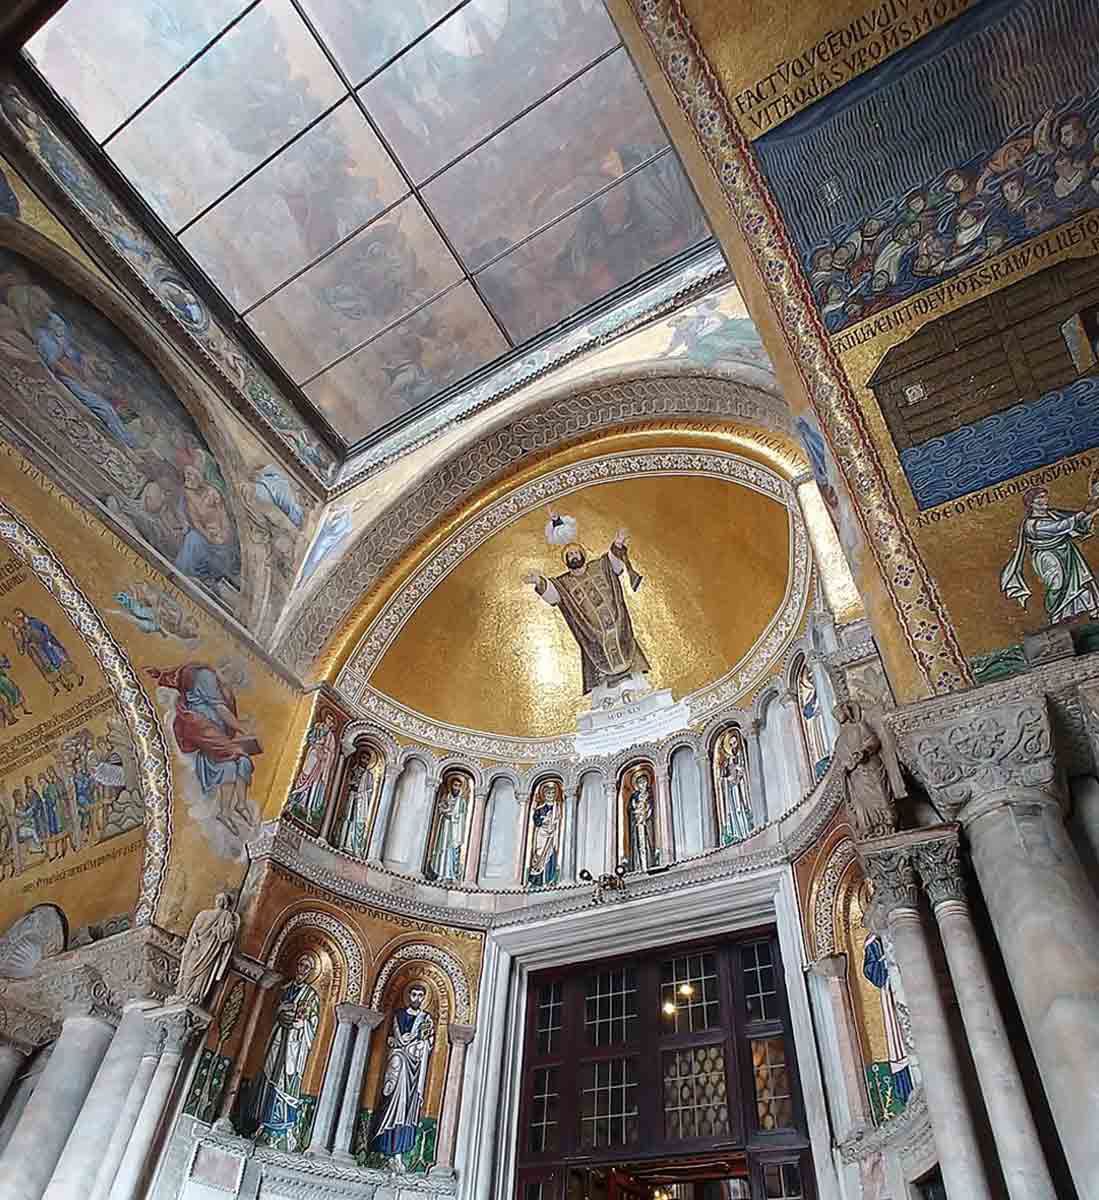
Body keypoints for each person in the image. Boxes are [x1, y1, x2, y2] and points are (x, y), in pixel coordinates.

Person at [523, 530, 649, 703]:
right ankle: (607, 698)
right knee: (599, 660)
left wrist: (618, 543)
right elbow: (553, 595)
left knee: (627, 655)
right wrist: (538, 581)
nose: (574, 557)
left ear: (582, 554)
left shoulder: (600, 566)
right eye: (570, 555)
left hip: (618, 627)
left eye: (576, 553)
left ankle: (635, 688)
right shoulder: (563, 583)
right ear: (566, 560)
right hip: (592, 636)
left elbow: (615, 564)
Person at [147, 661, 260, 836]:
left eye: (235, 682)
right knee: (230, 762)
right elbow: (221, 710)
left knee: (244, 761)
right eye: (233, 678)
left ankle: (240, 805)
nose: (231, 684)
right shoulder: (207, 676)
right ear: (225, 670)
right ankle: (225, 812)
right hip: (201, 727)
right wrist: (243, 729)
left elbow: (176, 676)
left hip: (215, 732)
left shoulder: (222, 687)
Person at [1000, 487, 1099, 623]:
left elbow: (1075, 521)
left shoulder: (1053, 514)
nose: (1044, 500)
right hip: (1046, 555)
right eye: (1039, 498)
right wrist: (1084, 512)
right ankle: (1055, 613)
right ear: (1031, 503)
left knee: (1080, 582)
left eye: (1045, 497)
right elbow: (1059, 527)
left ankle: (1092, 609)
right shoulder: (1031, 524)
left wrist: (1092, 512)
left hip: (1067, 551)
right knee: (1057, 584)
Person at [254, 954, 321, 1152]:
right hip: (278, 1037)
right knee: (270, 1074)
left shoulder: (311, 996)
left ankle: (285, 1128)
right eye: (301, 964)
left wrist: (304, 1025)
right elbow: (271, 1011)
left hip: (295, 1044)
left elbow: (314, 1021)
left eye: (307, 967)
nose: (302, 969)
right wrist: (280, 1012)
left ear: (311, 973)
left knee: (288, 1080)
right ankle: (262, 1122)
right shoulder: (283, 989)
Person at [369, 984, 435, 1171]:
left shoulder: (425, 1018)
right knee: (391, 1102)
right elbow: (392, 1039)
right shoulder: (398, 1015)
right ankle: (383, 1151)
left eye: (420, 995)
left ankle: (399, 1153)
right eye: (414, 994)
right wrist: (399, 1045)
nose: (417, 998)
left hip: (414, 1070)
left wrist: (424, 1043)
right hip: (398, 1065)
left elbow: (428, 1042)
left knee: (407, 1109)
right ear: (408, 995)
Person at [173, 892, 240, 1006]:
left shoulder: (226, 915)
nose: (219, 901)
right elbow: (194, 930)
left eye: (222, 900)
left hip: (210, 950)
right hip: (198, 947)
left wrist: (218, 930)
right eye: (218, 899)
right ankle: (182, 994)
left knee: (203, 973)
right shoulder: (204, 914)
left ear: (225, 903)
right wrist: (194, 938)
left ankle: (194, 996)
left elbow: (228, 932)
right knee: (189, 969)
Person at [8, 609, 83, 694]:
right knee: (56, 665)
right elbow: (28, 639)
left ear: (22, 613)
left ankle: (79, 677)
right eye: (16, 615)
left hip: (50, 644)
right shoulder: (25, 628)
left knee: (63, 661)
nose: (18, 616)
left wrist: (48, 640)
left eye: (18, 613)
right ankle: (68, 683)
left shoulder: (33, 621)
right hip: (43, 648)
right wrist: (29, 643)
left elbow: (45, 628)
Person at [287, 711, 338, 831]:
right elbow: (310, 738)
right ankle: (294, 802)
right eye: (328, 718)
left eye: (331, 721)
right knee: (304, 777)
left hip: (321, 762)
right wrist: (317, 746)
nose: (329, 721)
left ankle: (308, 809)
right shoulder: (317, 727)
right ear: (325, 718)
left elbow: (332, 751)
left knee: (315, 785)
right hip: (313, 756)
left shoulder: (330, 736)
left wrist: (325, 753)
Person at [334, 747, 377, 858]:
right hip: (351, 796)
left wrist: (362, 794)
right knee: (346, 819)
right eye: (363, 758)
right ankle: (341, 842)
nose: (365, 761)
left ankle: (355, 847)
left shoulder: (369, 775)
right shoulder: (353, 769)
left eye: (367, 759)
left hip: (361, 800)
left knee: (358, 822)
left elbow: (370, 790)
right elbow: (347, 781)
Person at [426, 774, 467, 883]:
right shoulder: (445, 797)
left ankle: (451, 875)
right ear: (451, 786)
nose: (456, 788)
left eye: (459, 786)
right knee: (442, 849)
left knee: (451, 851)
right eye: (455, 785)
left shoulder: (461, 801)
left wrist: (452, 815)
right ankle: (440, 874)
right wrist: (445, 812)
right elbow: (440, 809)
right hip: (444, 826)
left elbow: (462, 816)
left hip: (454, 829)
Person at [527, 779, 561, 887]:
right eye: (548, 793)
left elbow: (558, 821)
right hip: (541, 834)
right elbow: (536, 821)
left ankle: (549, 880)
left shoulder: (558, 808)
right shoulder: (539, 809)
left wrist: (553, 825)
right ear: (544, 794)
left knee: (550, 855)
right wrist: (543, 821)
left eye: (552, 793)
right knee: (538, 853)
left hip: (552, 834)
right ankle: (536, 880)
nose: (550, 795)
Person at [627, 769, 656, 872]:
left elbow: (652, 808)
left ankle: (650, 863)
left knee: (648, 843)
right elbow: (630, 810)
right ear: (637, 785)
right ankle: (639, 866)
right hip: (638, 823)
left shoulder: (651, 793)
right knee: (639, 845)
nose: (642, 784)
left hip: (647, 823)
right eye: (640, 782)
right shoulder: (634, 797)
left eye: (644, 781)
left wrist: (646, 811)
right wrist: (636, 811)